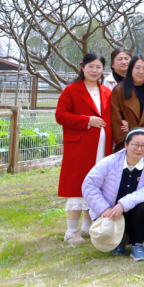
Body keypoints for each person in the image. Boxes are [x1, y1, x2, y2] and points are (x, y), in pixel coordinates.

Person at [56, 53, 113, 246]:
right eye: (91, 67)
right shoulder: (71, 90)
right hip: (80, 148)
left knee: (96, 185)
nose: (95, 71)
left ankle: (87, 227)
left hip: (102, 147)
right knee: (77, 187)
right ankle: (71, 231)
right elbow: (60, 115)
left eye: (98, 67)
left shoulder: (106, 91)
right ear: (82, 67)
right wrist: (87, 121)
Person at [81, 129, 144, 261]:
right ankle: (120, 240)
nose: (139, 149)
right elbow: (89, 185)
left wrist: (123, 205)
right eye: (135, 145)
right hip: (112, 210)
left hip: (133, 210)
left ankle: (137, 245)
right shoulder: (110, 162)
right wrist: (104, 208)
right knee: (114, 214)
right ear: (126, 145)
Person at [110, 54, 144, 152]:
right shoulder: (119, 90)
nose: (141, 72)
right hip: (127, 144)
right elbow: (115, 117)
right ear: (131, 69)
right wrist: (126, 142)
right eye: (137, 68)